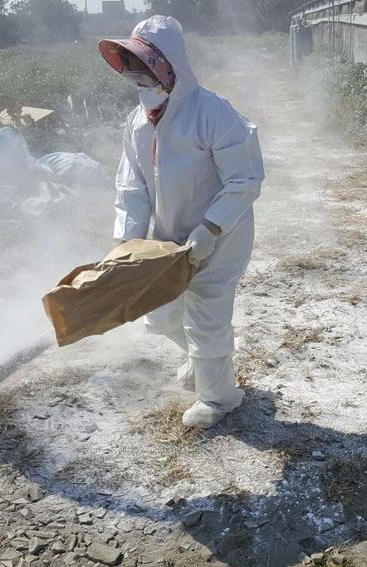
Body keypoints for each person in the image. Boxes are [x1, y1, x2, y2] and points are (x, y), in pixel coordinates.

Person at [99, 16, 264, 429]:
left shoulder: (212, 112)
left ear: (169, 66)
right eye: (131, 66)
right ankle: (203, 361)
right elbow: (132, 187)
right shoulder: (138, 123)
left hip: (221, 235)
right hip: (169, 236)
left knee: (206, 312)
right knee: (162, 311)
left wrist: (210, 230)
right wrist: (127, 244)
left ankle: (220, 396)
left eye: (145, 66)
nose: (138, 76)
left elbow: (245, 179)